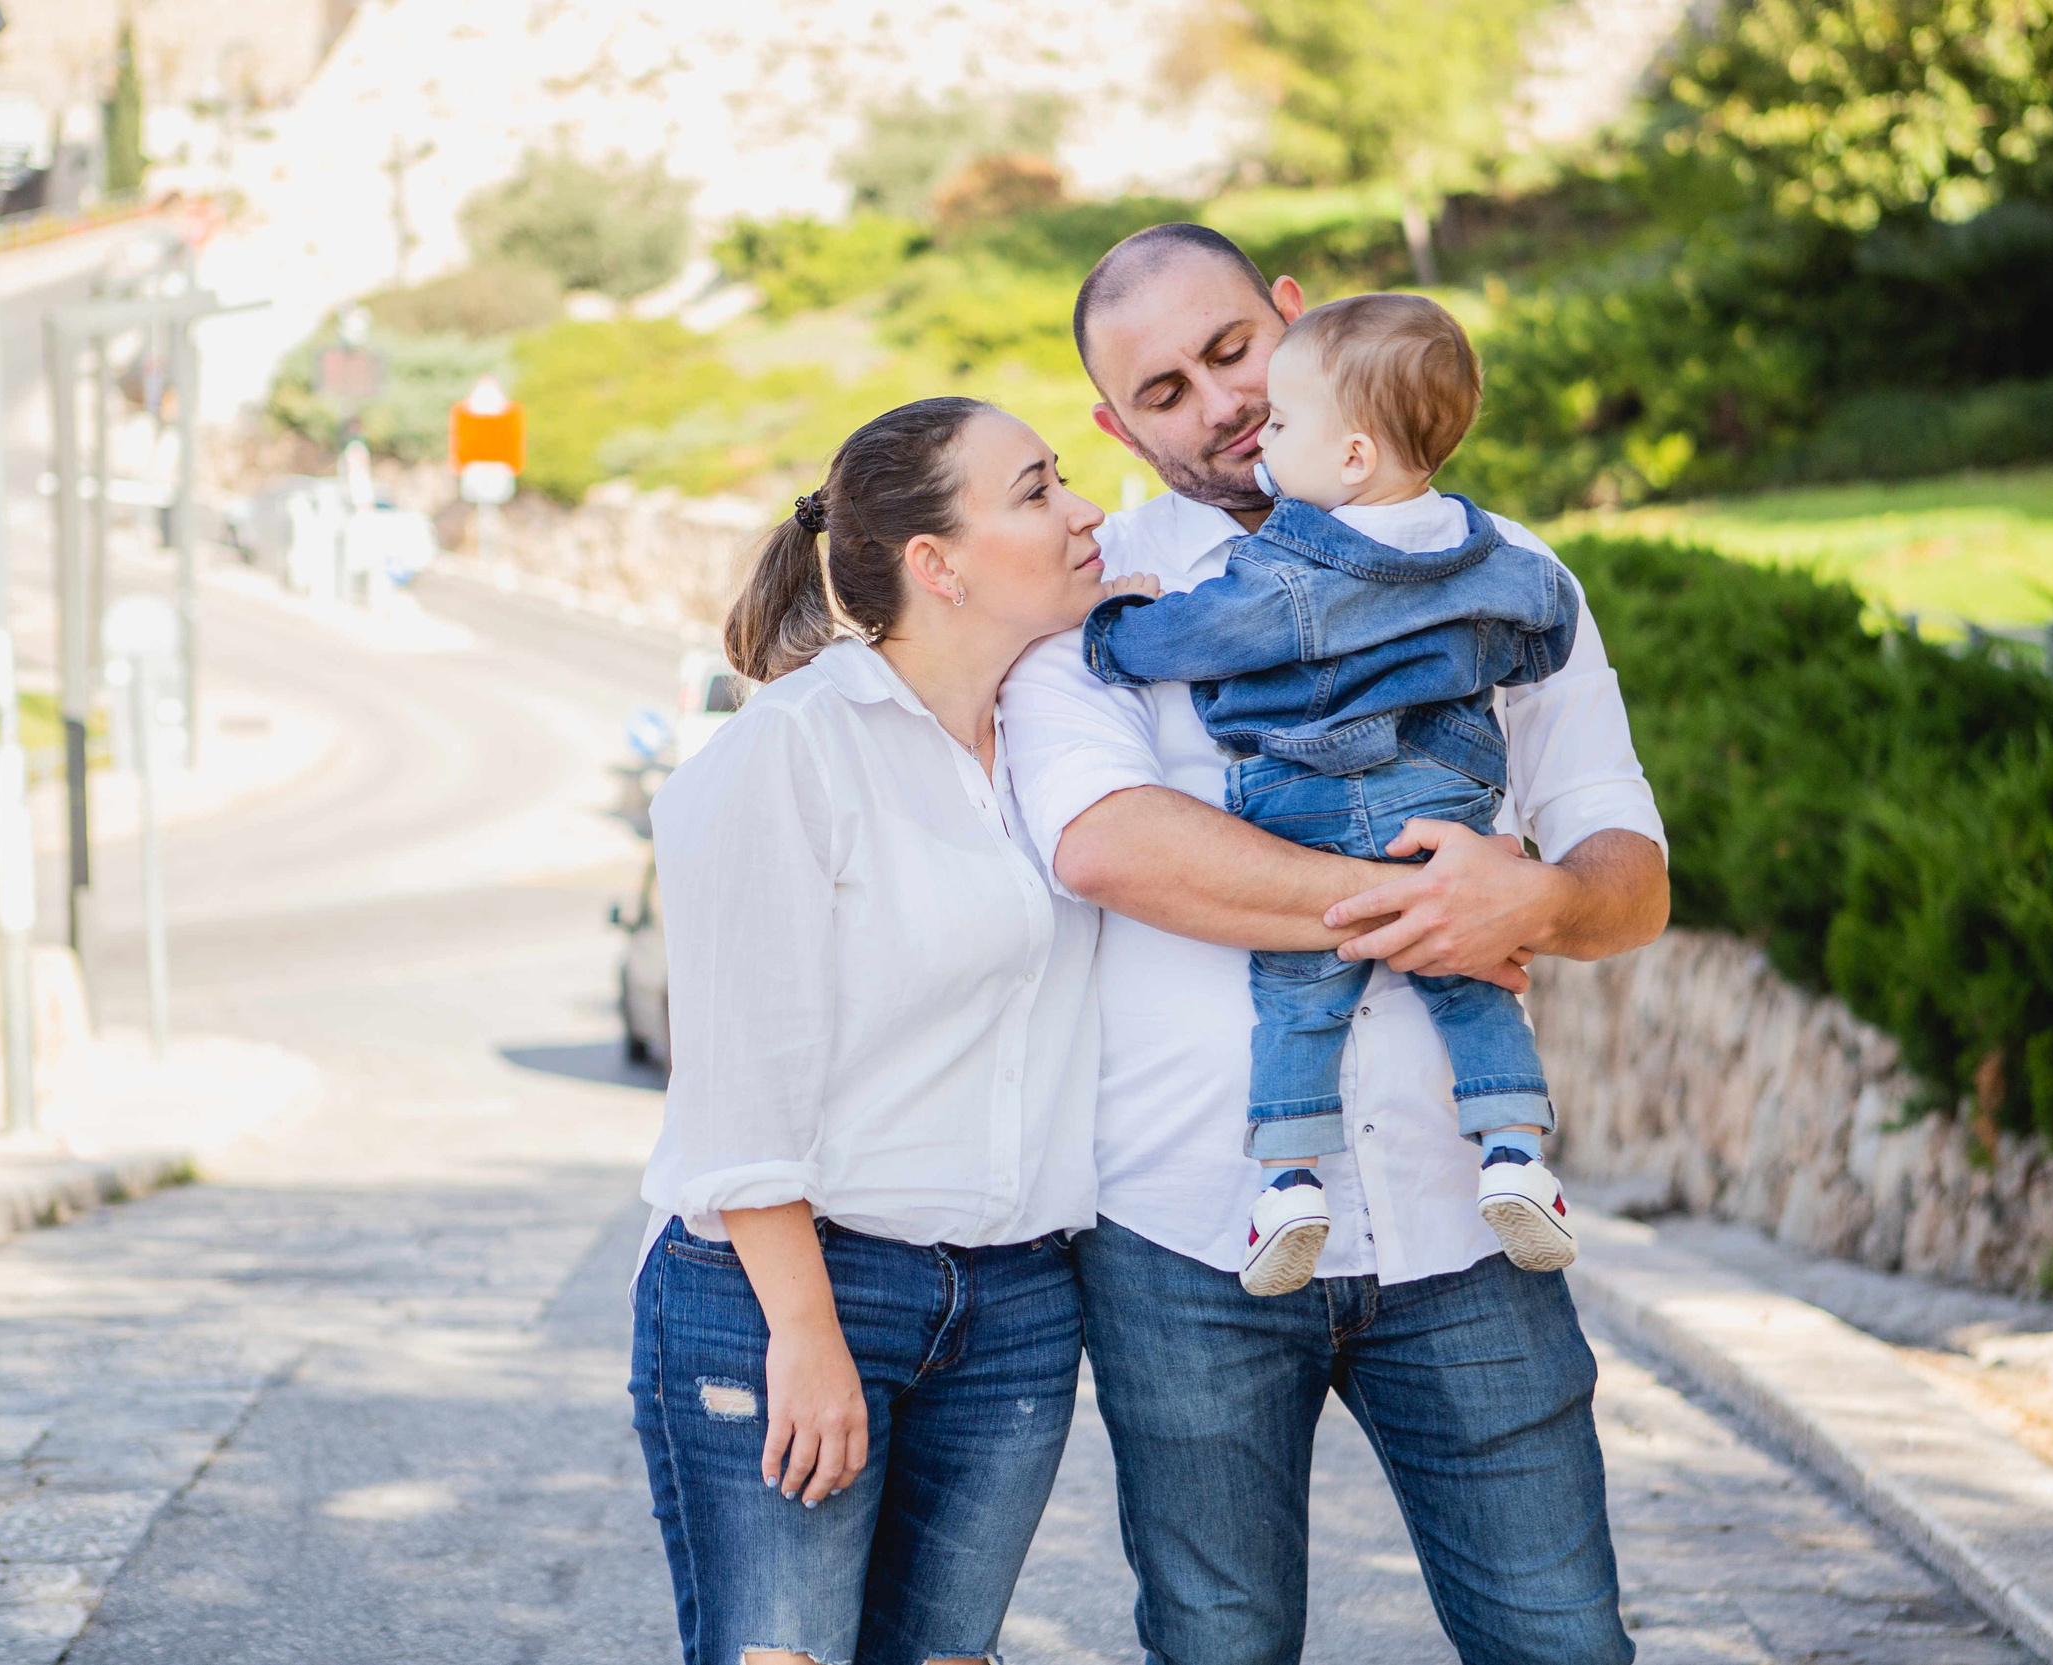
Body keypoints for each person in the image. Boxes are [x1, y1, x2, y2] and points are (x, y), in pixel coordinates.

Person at [1002, 225, 1668, 1664]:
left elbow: (1625, 866)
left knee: (1565, 1641)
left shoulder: (1504, 571)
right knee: (1219, 1645)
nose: (1220, 403)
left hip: (1468, 1222)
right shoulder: (1095, 599)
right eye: (1164, 391)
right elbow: (1112, 844)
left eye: (1232, 351)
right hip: (1187, 1236)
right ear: (1118, 427)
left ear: (1292, 316)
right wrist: (1439, 910)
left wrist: (1539, 901)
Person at [629, 396, 1110, 1665]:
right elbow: (738, 1091)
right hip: (794, 1286)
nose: (1084, 510)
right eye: (1037, 491)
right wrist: (807, 1335)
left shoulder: (1066, 740)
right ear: (934, 565)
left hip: (1015, 1303)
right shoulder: (789, 753)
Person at [1079, 291, 1581, 1296]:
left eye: (1274, 408)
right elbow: (1545, 632)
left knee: (1295, 996)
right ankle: (1517, 1153)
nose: (1248, 419)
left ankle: (1287, 1181)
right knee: (1472, 980)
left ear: (1349, 457)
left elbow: (1190, 638)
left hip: (1309, 798)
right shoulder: (1496, 553)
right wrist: (1465, 900)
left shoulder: (1293, 573)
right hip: (1444, 812)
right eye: (1171, 390)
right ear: (1119, 424)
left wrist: (1111, 628)